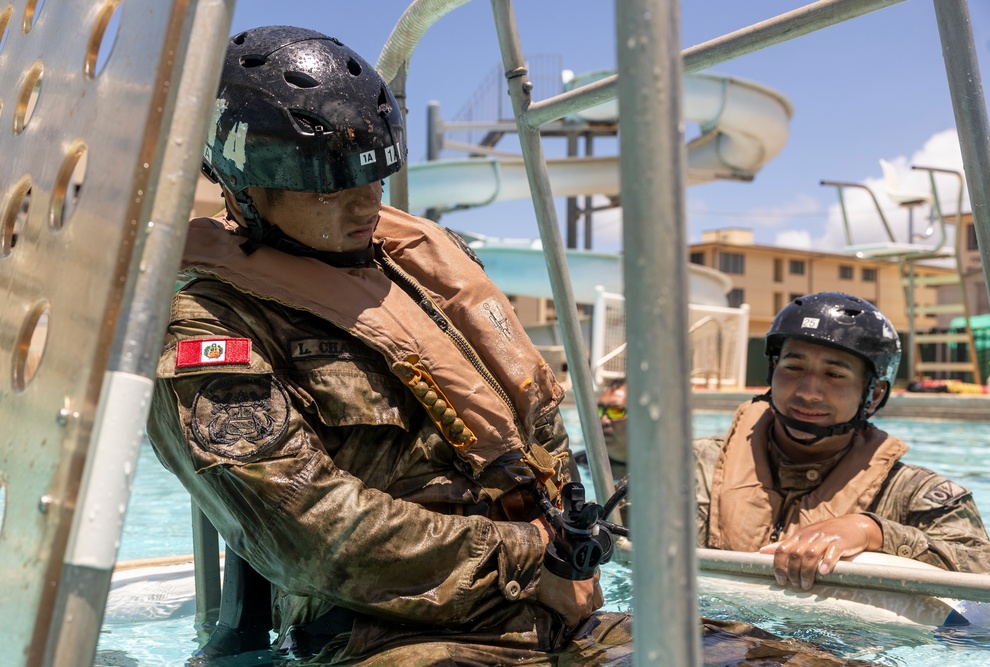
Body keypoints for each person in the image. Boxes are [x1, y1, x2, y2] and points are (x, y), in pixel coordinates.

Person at [147, 25, 879, 667]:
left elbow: (540, 444)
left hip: (562, 616)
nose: (366, 199)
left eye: (374, 169)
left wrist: (570, 548)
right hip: (394, 638)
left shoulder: (423, 277)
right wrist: (533, 556)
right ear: (245, 190)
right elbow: (307, 531)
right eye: (328, 181)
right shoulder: (210, 326)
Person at [694, 292, 990, 590]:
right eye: (794, 367)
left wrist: (872, 531)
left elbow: (986, 571)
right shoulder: (694, 465)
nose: (808, 392)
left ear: (874, 393)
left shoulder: (910, 493)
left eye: (834, 374)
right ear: (773, 371)